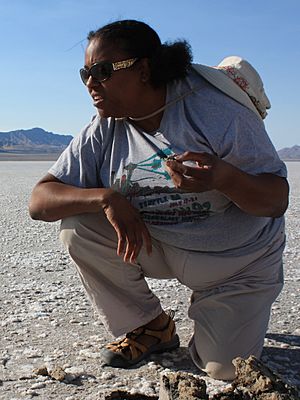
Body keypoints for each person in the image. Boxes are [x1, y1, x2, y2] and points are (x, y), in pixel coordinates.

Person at [29, 19, 289, 380]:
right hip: (161, 244)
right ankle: (150, 327)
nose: (91, 83)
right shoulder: (107, 124)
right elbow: (40, 200)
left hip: (236, 264)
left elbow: (276, 200)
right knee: (78, 225)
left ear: (144, 69)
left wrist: (224, 178)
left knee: (227, 370)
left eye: (103, 71)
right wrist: (106, 198)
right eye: (85, 73)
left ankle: (224, 308)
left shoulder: (216, 113)